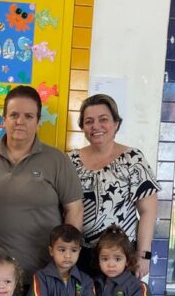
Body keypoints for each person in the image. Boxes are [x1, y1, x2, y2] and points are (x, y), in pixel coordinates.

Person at [0, 85, 83, 279]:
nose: (20, 121)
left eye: (28, 116)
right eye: (14, 115)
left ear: (38, 122)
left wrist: (65, 263)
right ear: (4, 120)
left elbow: (75, 210)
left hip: (44, 278)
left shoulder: (56, 160)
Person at [68, 93, 159, 277]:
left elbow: (148, 211)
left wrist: (144, 256)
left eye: (103, 119)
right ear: (82, 127)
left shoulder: (132, 159)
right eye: (89, 121)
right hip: (80, 257)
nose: (96, 126)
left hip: (120, 257)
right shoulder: (70, 161)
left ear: (116, 123)